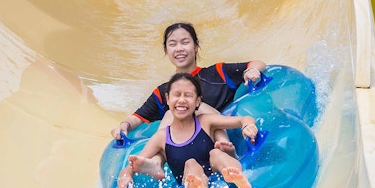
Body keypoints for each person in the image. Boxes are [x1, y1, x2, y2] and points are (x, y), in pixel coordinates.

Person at [110, 22, 267, 151]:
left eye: (185, 42)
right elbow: (137, 117)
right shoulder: (164, 91)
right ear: (166, 50)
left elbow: (257, 63)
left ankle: (224, 152)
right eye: (172, 44)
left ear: (196, 46)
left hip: (223, 138)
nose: (179, 48)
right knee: (170, 115)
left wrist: (252, 70)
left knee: (192, 108)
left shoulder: (217, 73)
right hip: (189, 151)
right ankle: (157, 160)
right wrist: (124, 126)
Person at [116, 73, 258, 188]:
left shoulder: (206, 121)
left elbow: (243, 119)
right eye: (176, 95)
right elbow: (132, 165)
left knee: (216, 153)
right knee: (190, 164)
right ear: (168, 99)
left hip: (218, 171)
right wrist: (126, 175)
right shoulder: (161, 137)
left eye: (188, 95)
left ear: (197, 101)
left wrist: (247, 126)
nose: (182, 100)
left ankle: (235, 176)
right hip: (192, 179)